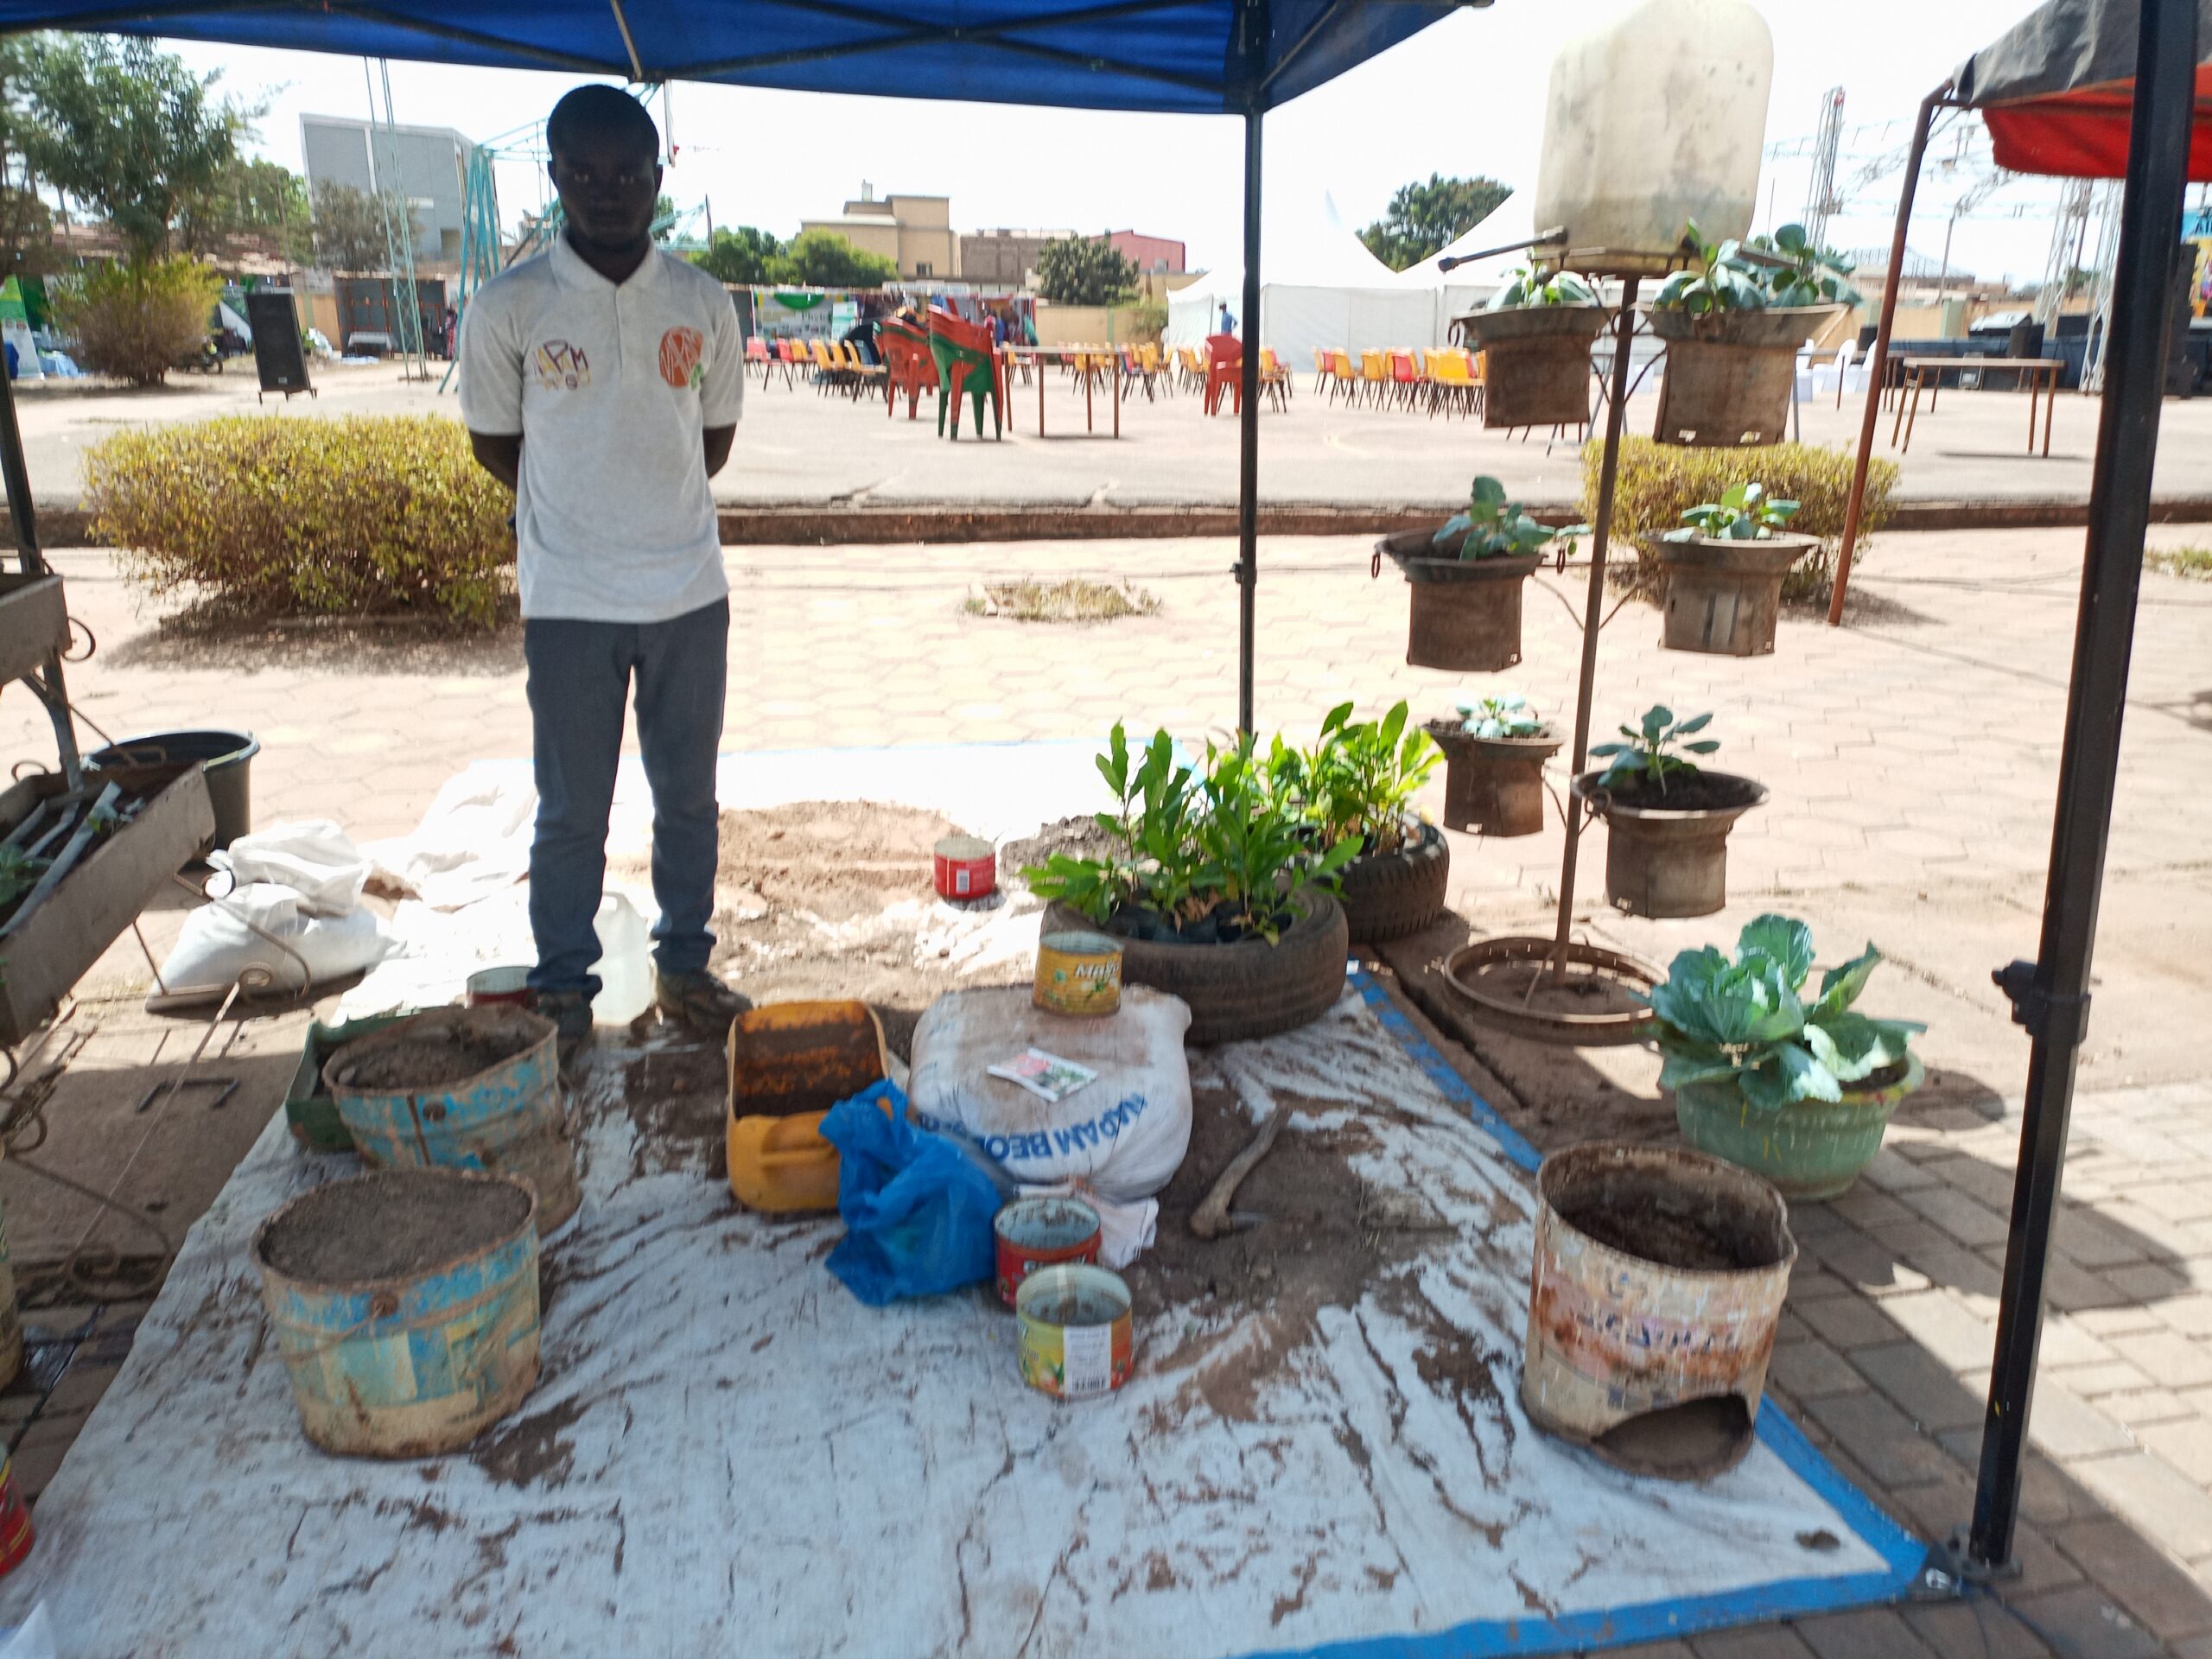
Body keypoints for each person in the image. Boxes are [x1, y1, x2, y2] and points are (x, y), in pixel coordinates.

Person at [459, 84, 751, 1065]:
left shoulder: (701, 302)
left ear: (656, 178)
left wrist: (646, 514)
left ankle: (686, 967)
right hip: (570, 602)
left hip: (687, 594)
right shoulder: (511, 307)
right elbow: (498, 445)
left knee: (689, 800)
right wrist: (580, 520)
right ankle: (563, 993)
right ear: (555, 180)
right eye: (584, 173)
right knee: (572, 810)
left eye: (627, 172)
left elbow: (710, 442)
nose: (608, 191)